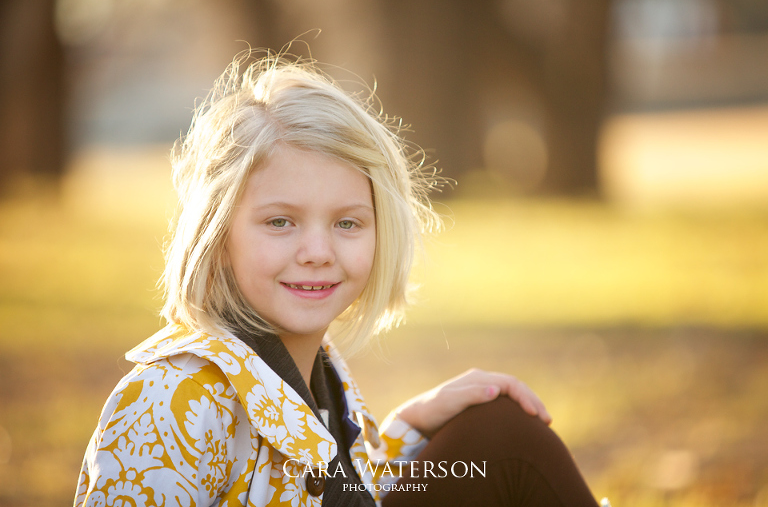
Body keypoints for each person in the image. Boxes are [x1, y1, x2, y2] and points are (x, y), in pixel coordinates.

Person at [74, 52, 603, 507]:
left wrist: (408, 429)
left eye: (347, 223)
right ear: (218, 235)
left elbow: (328, 489)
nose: (317, 253)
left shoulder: (320, 375)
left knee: (498, 435)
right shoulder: (172, 396)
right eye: (280, 222)